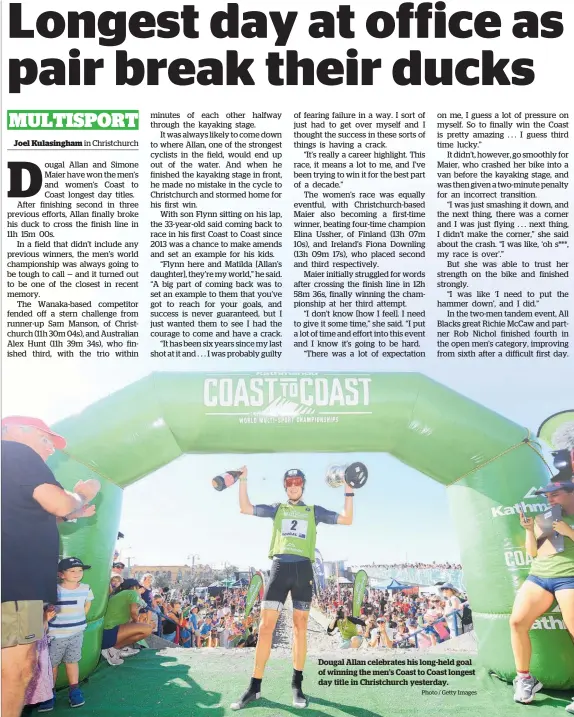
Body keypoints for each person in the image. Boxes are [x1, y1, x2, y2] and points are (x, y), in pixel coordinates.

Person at [231, 466, 354, 710]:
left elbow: (346, 519)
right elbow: (245, 508)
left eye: (298, 481)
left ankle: (297, 686)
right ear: (285, 486)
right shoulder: (277, 508)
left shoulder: (313, 511)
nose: (293, 485)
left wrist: (349, 488)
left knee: (300, 629)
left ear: (303, 485)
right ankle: (254, 687)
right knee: (265, 627)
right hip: (279, 569)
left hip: (302, 571)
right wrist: (243, 478)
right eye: (289, 482)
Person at [1, 416, 100, 717]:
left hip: (12, 585)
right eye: (46, 440)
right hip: (17, 586)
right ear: (17, 431)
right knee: (17, 669)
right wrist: (81, 494)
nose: (50, 449)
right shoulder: (16, 451)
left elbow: (23, 513)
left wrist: (71, 516)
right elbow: (57, 502)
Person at [509, 479, 574, 707]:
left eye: (554, 494)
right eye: (546, 495)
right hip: (539, 577)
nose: (549, 498)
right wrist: (528, 530)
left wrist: (570, 532)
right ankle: (525, 679)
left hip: (570, 578)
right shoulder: (544, 517)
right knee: (517, 622)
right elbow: (533, 552)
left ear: (570, 493)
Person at [47, 558, 94, 708]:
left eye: (80, 570)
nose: (77, 573)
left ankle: (74, 690)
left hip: (76, 632)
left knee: (72, 662)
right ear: (61, 574)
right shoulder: (54, 590)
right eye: (72, 570)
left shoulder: (85, 588)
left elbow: (88, 603)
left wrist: (80, 618)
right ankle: (49, 693)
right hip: (56, 635)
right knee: (52, 665)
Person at [101, 579, 154, 665]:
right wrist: (138, 623)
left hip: (106, 634)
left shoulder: (121, 595)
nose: (140, 592)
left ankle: (118, 649)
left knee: (144, 627)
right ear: (134, 588)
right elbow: (134, 612)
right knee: (147, 628)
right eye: (138, 588)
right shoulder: (132, 593)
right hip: (109, 633)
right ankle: (112, 650)